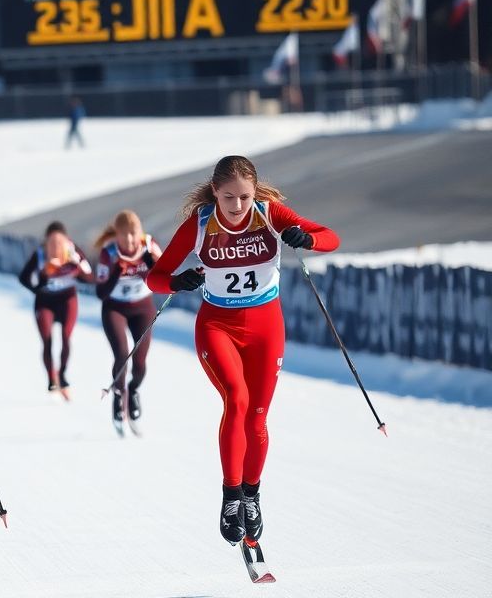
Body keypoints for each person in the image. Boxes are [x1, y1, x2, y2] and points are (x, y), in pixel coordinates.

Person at [145, 155, 339, 546]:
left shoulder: (268, 214)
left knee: (258, 417)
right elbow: (155, 277)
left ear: (255, 193)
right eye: (229, 197)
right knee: (236, 399)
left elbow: (330, 237)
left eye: (245, 197)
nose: (237, 207)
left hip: (266, 327)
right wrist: (177, 281)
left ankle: (252, 495)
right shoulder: (200, 225)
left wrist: (308, 239)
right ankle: (231, 496)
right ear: (215, 191)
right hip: (218, 326)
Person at [92, 210, 163, 436]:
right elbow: (100, 292)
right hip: (115, 308)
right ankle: (118, 396)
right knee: (122, 355)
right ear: (117, 236)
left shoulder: (149, 245)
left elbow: (163, 278)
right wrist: (116, 273)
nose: (130, 241)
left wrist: (151, 265)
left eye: (134, 235)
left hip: (142, 307)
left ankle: (132, 390)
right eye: (125, 236)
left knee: (140, 362)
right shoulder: (109, 253)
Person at [17, 221, 94, 399]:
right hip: (45, 301)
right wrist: (42, 279)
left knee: (66, 337)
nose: (56, 247)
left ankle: (63, 374)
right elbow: (23, 278)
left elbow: (90, 278)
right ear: (46, 242)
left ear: (67, 241)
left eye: (60, 242)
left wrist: (77, 266)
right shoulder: (40, 255)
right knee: (47, 341)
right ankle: (51, 377)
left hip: (67, 299)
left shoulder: (74, 252)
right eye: (52, 243)